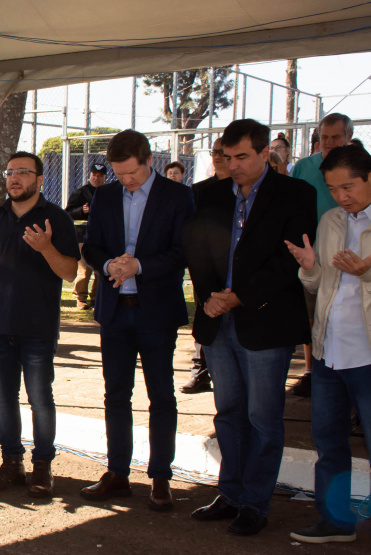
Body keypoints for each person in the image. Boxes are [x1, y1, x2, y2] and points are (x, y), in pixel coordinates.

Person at [184, 119, 315, 536]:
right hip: (217, 320)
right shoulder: (208, 195)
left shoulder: (296, 194)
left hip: (265, 321)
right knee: (229, 413)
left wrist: (238, 295)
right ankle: (232, 493)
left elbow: (288, 260)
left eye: (242, 157)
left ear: (265, 154)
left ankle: (256, 503)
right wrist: (210, 295)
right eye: (227, 157)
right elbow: (198, 251)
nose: (234, 165)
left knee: (263, 418)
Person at [0, 151, 80, 498]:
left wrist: (46, 248)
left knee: (40, 399)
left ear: (39, 179)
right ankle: (12, 463)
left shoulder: (56, 218)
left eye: (23, 172)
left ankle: (42, 467)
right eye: (10, 172)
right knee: (4, 399)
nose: (15, 178)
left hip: (38, 327)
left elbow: (69, 273)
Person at [79, 130, 194, 512]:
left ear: (148, 161)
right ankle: (117, 473)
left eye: (131, 173)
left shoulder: (178, 196)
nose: (126, 181)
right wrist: (109, 263)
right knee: (116, 395)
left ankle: (161, 478)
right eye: (118, 173)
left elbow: (182, 252)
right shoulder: (106, 196)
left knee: (161, 396)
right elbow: (92, 245)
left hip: (156, 312)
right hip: (114, 311)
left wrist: (139, 265)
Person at [286, 144, 371, 544]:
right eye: (334, 189)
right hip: (329, 354)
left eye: (349, 186)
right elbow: (320, 285)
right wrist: (309, 267)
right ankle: (336, 520)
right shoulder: (331, 220)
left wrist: (367, 273)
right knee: (330, 442)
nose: (342, 196)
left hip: (367, 356)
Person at [290, 113, 354, 397]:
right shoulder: (304, 166)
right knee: (312, 314)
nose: (328, 143)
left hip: (352, 257)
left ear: (348, 137)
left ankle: (353, 379)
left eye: (335, 137)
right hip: (311, 258)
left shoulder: (360, 165)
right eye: (324, 137)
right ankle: (312, 369)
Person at [182, 138, 231, 394]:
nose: (219, 157)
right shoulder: (199, 191)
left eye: (225, 152)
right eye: (215, 152)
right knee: (206, 320)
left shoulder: (243, 190)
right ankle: (199, 371)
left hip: (236, 278)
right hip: (206, 276)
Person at [65, 162, 106, 310]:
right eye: (94, 175)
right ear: (89, 176)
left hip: (103, 237)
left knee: (101, 269)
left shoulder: (109, 193)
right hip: (83, 236)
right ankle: (80, 298)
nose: (96, 178)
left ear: (105, 178)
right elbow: (67, 213)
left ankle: (96, 298)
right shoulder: (80, 192)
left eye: (100, 176)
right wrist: (81, 210)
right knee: (84, 270)